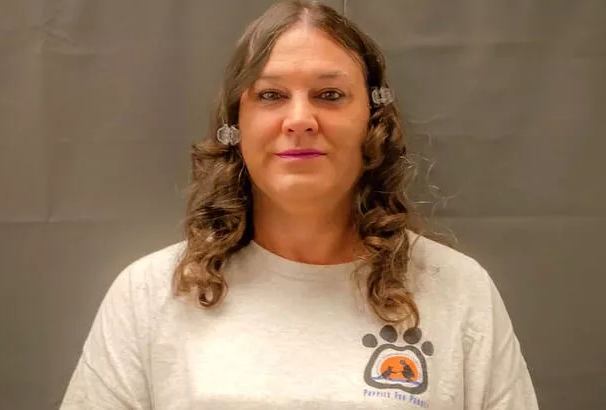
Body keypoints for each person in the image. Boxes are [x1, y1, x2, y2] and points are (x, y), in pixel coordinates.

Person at [60, 1, 539, 409]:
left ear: (373, 121)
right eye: (271, 95)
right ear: (236, 125)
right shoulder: (149, 296)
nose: (300, 119)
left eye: (330, 95)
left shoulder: (459, 292)